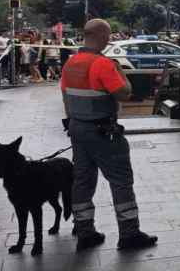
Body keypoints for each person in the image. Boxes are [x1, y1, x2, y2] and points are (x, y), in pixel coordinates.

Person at [61, 18, 157, 251]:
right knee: (121, 180)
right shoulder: (104, 64)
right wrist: (122, 74)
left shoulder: (71, 63)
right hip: (103, 131)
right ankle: (129, 233)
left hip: (77, 127)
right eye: (109, 36)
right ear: (103, 36)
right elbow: (123, 93)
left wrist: (73, 120)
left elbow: (65, 94)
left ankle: (85, 231)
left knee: (82, 180)